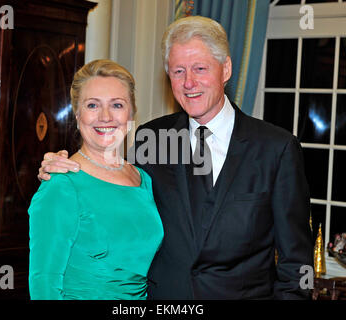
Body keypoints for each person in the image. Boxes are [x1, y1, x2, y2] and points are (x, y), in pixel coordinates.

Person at [38, 16, 313, 299]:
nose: (189, 82)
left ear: (226, 69)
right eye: (178, 71)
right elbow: (111, 192)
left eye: (200, 68)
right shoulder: (151, 138)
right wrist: (58, 167)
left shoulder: (276, 149)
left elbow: (296, 265)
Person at [28, 59, 163, 300]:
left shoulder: (143, 179)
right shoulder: (61, 184)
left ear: (131, 113)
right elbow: (43, 283)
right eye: (92, 105)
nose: (105, 116)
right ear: (77, 114)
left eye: (117, 105)